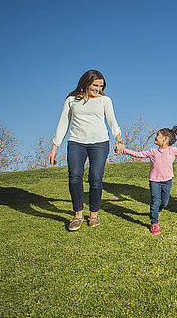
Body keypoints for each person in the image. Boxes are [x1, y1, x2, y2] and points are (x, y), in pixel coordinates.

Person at [48, 69, 124, 231]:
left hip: (100, 143)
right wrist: (54, 148)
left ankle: (94, 214)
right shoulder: (71, 100)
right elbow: (63, 124)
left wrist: (119, 141)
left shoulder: (105, 100)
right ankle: (77, 215)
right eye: (95, 85)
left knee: (95, 178)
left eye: (101, 86)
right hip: (76, 142)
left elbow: (112, 122)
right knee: (75, 176)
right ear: (86, 82)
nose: (98, 89)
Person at [122, 126, 177, 235]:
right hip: (154, 181)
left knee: (165, 202)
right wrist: (125, 150)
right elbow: (138, 154)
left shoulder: (172, 150)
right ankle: (154, 223)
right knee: (155, 201)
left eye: (158, 135)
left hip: (167, 181)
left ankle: (158, 211)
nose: (155, 137)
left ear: (165, 139)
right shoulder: (152, 152)